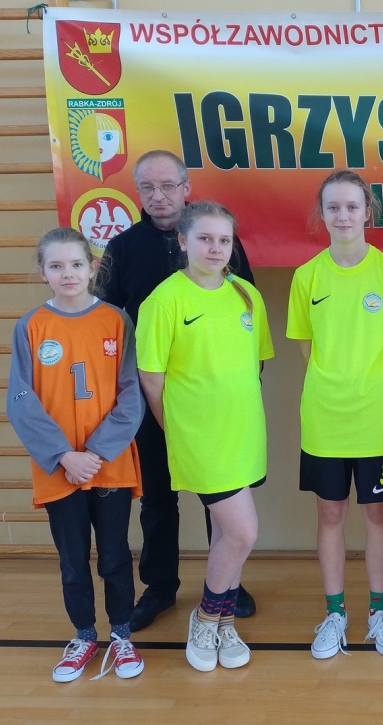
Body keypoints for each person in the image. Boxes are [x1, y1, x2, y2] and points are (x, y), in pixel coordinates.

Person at [102, 150, 258, 630]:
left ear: (186, 188)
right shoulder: (123, 248)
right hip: (153, 396)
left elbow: (246, 316)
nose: (158, 195)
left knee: (222, 497)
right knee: (157, 497)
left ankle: (227, 583)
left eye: (168, 185)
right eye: (147, 187)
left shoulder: (224, 243)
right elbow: (108, 320)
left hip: (214, 404)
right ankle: (160, 586)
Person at [136, 202, 274, 672]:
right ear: (183, 241)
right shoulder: (164, 300)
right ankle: (206, 618)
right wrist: (177, 429)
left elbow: (255, 362)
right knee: (243, 531)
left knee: (229, 536)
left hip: (243, 433)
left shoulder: (246, 295)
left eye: (224, 240)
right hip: (199, 437)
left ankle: (225, 624)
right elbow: (151, 377)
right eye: (205, 239)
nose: (215, 248)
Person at [286, 170, 383, 659]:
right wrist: (334, 382)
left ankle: (379, 613)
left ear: (368, 213)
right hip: (325, 420)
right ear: (321, 214)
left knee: (377, 513)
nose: (343, 216)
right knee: (331, 513)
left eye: (352, 206)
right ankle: (335, 613)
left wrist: (377, 386)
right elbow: (306, 347)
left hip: (377, 419)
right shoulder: (307, 276)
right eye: (333, 207)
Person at [7, 228, 145, 681]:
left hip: (109, 465)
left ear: (93, 268)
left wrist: (96, 453)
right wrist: (66, 456)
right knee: (72, 558)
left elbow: (131, 396)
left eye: (76, 264)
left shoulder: (116, 321)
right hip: (59, 468)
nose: (67, 273)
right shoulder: (30, 327)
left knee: (115, 555)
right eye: (56, 266)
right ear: (42, 271)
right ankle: (84, 635)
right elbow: (21, 401)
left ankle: (121, 634)